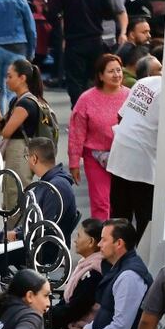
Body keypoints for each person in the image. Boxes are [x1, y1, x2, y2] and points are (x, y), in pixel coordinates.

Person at [47, 0, 115, 107]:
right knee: (96, 80)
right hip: (96, 42)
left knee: (76, 82)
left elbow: (51, 15)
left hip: (74, 43)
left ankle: (79, 112)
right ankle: (97, 111)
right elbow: (110, 14)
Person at [68, 53, 129, 220]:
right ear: (100, 75)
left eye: (119, 70)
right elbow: (76, 131)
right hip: (95, 157)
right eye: (111, 71)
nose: (117, 75)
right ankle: (101, 241)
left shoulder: (131, 96)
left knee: (121, 203)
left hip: (124, 157)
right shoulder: (86, 99)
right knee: (101, 203)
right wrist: (74, 162)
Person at [108, 63, 163, 238]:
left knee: (119, 216)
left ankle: (114, 257)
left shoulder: (145, 82)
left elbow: (121, 115)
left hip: (121, 153)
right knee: (145, 219)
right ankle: (137, 259)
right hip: (143, 164)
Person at [0, 58, 45, 213]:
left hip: (21, 152)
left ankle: (17, 233)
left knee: (16, 194)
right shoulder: (16, 100)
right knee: (10, 190)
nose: (7, 80)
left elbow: (6, 132)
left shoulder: (26, 103)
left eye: (10, 76)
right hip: (16, 151)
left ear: (22, 78)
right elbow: (2, 128)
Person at [50, 218, 104, 329]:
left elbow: (74, 310)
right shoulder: (86, 264)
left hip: (79, 328)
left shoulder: (94, 274)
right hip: (68, 319)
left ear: (91, 242)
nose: (75, 240)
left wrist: (44, 315)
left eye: (79, 236)